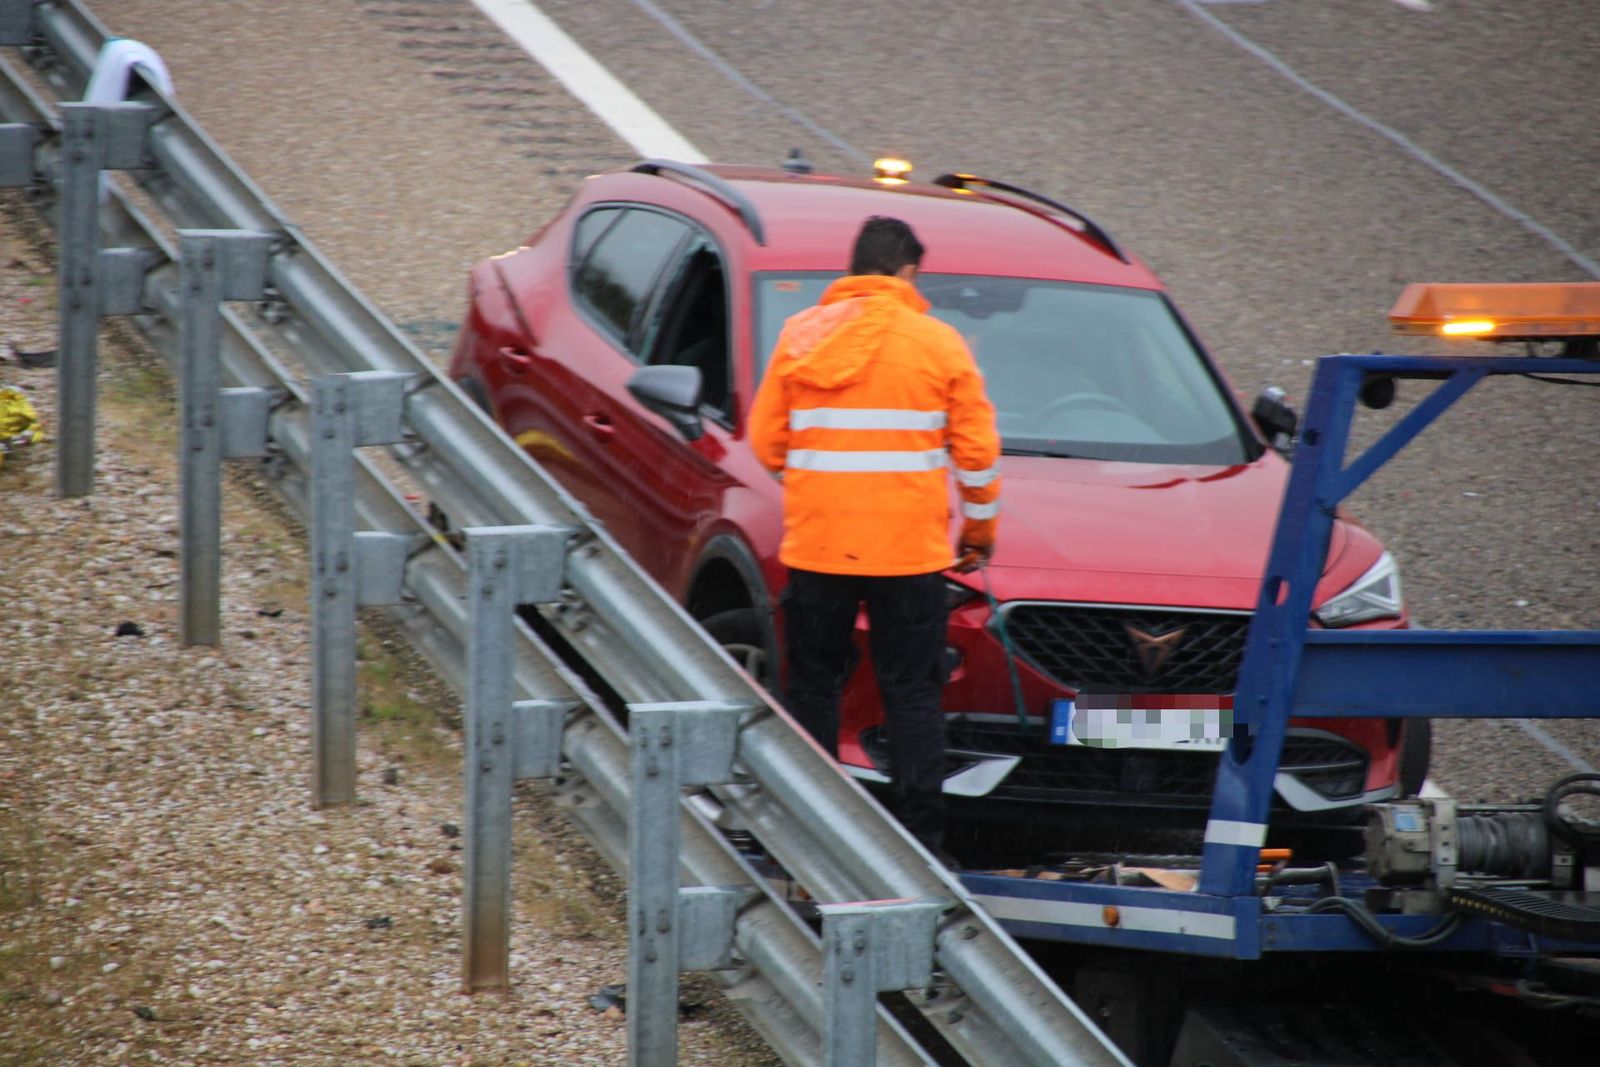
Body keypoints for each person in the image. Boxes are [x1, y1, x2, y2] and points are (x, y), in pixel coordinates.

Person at [748, 215, 1002, 860]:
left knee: (813, 687)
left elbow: (767, 442)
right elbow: (976, 457)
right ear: (907, 271)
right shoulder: (938, 344)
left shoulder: (800, 336)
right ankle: (920, 841)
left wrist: (819, 487)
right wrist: (978, 532)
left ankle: (806, 836)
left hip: (818, 549)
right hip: (908, 556)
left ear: (854, 269)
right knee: (912, 694)